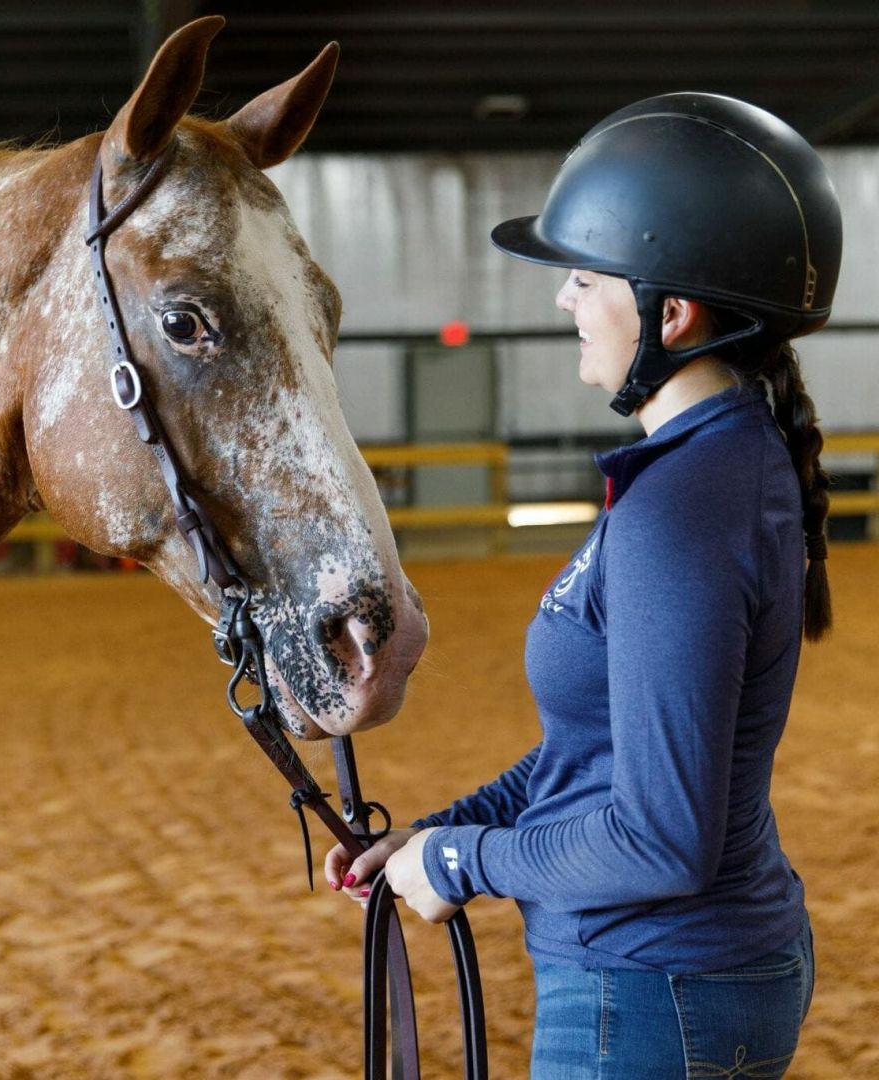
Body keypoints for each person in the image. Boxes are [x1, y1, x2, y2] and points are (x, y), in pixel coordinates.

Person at [325, 92, 841, 1079]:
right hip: (673, 979)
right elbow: (594, 745)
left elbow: (661, 840)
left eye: (583, 277)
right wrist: (449, 830)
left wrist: (463, 865)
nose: (564, 299)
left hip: (653, 989)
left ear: (672, 312)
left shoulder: (682, 507)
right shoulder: (714, 466)